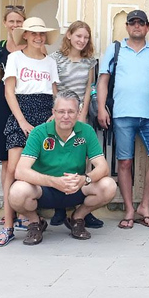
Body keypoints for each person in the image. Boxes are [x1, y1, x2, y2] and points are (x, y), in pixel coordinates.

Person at [8, 90, 118, 246]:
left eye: (71, 112)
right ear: (53, 112)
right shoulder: (39, 132)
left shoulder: (86, 131)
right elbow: (21, 171)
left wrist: (85, 179)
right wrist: (53, 182)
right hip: (43, 189)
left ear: (79, 112)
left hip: (75, 186)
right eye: (61, 111)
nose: (66, 116)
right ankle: (35, 222)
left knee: (109, 186)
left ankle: (77, 218)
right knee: (17, 191)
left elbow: (103, 167)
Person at [96, 10, 149, 230]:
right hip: (122, 115)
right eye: (132, 23)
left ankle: (144, 205)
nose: (137, 26)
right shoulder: (116, 49)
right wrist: (101, 108)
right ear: (127, 27)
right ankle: (129, 209)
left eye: (141, 23)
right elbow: (103, 81)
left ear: (147, 28)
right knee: (125, 162)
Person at [0, 17, 59, 246]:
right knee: (13, 169)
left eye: (41, 34)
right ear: (26, 36)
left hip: (44, 116)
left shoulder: (50, 62)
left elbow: (54, 92)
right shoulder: (15, 58)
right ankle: (8, 225)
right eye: (33, 34)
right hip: (21, 113)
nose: (38, 38)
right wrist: (21, 120)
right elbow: (9, 92)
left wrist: (54, 114)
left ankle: (32, 218)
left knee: (39, 166)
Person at [49, 20, 100, 228]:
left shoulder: (90, 62)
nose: (82, 40)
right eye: (78, 36)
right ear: (69, 35)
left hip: (80, 115)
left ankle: (82, 210)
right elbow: (53, 88)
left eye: (86, 37)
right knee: (61, 158)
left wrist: (82, 114)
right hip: (61, 115)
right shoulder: (56, 60)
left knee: (84, 160)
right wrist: (60, 113)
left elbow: (89, 89)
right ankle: (59, 208)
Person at [0, 5, 25, 228]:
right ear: (5, 23)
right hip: (1, 101)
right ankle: (8, 208)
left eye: (19, 21)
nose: (15, 25)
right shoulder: (2, 45)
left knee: (22, 158)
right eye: (12, 21)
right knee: (5, 160)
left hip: (23, 101)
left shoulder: (30, 44)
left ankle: (23, 206)